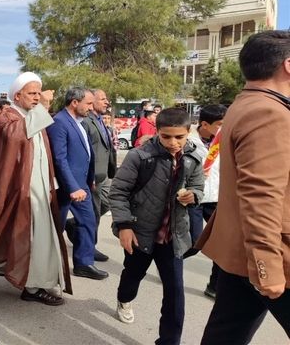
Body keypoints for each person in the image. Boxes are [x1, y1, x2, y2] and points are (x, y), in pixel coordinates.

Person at [197, 30, 290, 344]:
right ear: (288, 66)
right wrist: (267, 267)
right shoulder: (270, 112)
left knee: (226, 333)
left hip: (244, 248)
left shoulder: (247, 102)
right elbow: (260, 195)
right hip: (272, 252)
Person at [0, 72, 72, 306]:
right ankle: (31, 287)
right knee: (27, 239)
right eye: (32, 93)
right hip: (20, 191)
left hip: (39, 190)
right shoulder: (8, 117)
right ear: (17, 96)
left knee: (27, 239)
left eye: (39, 92)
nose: (37, 97)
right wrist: (43, 108)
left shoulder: (30, 116)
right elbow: (16, 136)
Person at [109, 107, 204, 345]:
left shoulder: (193, 158)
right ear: (157, 132)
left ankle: (169, 341)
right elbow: (118, 192)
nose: (173, 142)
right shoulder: (140, 156)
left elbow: (199, 187)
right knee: (133, 274)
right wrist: (124, 226)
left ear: (188, 132)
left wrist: (192, 195)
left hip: (173, 236)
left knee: (175, 294)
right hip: (140, 232)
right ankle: (124, 299)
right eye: (166, 136)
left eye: (179, 137)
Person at [47, 87, 108, 280]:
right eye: (88, 103)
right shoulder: (59, 122)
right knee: (55, 229)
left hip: (82, 185)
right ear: (75, 102)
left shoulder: (79, 122)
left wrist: (88, 180)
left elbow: (85, 155)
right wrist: (73, 187)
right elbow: (60, 159)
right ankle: (47, 268)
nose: (91, 107)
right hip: (66, 188)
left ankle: (83, 263)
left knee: (88, 222)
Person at [186, 104, 227, 299]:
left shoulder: (226, 140)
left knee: (223, 243)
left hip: (216, 197)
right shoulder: (187, 140)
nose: (223, 127)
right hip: (194, 196)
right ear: (204, 124)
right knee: (195, 242)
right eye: (220, 124)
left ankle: (214, 285)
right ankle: (169, 260)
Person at [82, 88, 117, 262]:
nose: (106, 102)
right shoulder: (86, 121)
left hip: (105, 174)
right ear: (92, 100)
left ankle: (72, 224)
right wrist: (89, 177)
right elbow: (85, 151)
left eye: (106, 99)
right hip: (93, 176)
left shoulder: (100, 120)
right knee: (94, 213)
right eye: (102, 99)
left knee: (107, 204)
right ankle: (90, 248)